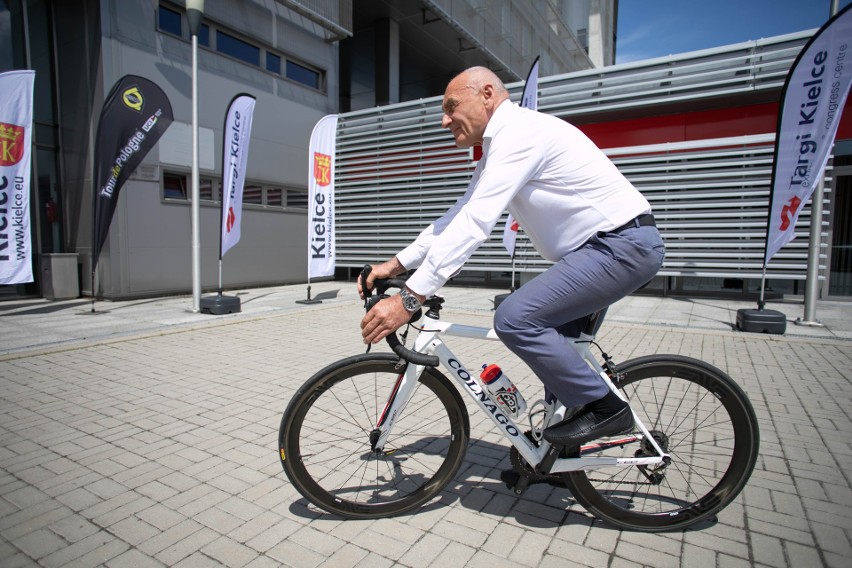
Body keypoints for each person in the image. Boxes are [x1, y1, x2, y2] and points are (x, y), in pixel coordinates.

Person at [359, 66, 664, 451]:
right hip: (600, 251)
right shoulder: (498, 147)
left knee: (514, 318)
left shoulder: (519, 133)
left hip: (620, 246)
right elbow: (459, 214)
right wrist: (394, 265)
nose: (444, 119)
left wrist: (409, 299)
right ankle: (557, 458)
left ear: (487, 94)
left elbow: (475, 223)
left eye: (451, 105)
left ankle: (607, 409)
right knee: (558, 363)